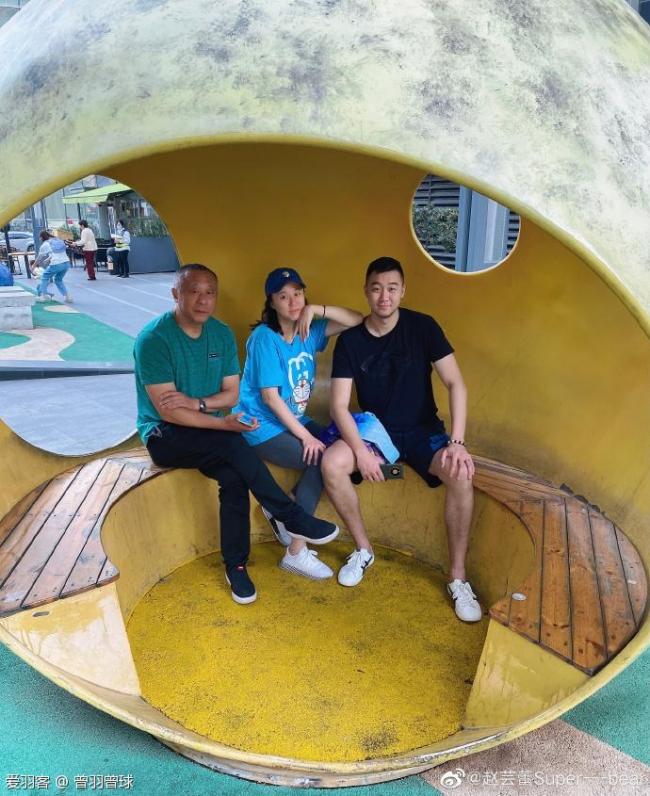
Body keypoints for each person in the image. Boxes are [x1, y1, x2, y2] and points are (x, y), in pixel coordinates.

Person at [133, 263, 339, 606]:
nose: (203, 300)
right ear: (175, 294)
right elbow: (169, 411)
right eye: (194, 292)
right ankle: (289, 515)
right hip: (164, 435)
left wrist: (198, 404)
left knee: (234, 477)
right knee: (232, 443)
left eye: (210, 293)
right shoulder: (154, 339)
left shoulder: (221, 333)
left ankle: (236, 565)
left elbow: (231, 396)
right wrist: (222, 423)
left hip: (209, 433)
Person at [321, 256, 481, 622]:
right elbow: (339, 406)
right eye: (377, 288)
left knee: (461, 473)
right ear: (366, 291)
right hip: (376, 435)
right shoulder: (350, 341)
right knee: (332, 463)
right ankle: (364, 550)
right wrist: (360, 452)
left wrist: (457, 442)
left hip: (424, 432)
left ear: (403, 291)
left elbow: (455, 383)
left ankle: (458, 578)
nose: (384, 296)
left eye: (392, 288)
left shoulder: (423, 327)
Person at [235, 268, 363, 580]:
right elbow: (270, 398)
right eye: (283, 296)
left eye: (298, 294)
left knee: (338, 450)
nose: (292, 301)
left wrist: (317, 310)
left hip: (293, 419)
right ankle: (296, 551)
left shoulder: (310, 330)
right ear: (272, 302)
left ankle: (284, 508)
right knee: (321, 458)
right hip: (260, 425)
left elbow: (358, 319)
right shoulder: (264, 338)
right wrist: (307, 437)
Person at [33, 231, 73, 304]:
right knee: (58, 279)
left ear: (41, 238)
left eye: (40, 237)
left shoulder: (45, 244)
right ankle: (68, 296)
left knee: (45, 276)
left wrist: (33, 266)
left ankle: (43, 296)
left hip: (56, 264)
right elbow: (56, 252)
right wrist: (48, 259)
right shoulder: (57, 240)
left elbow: (39, 257)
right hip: (66, 263)